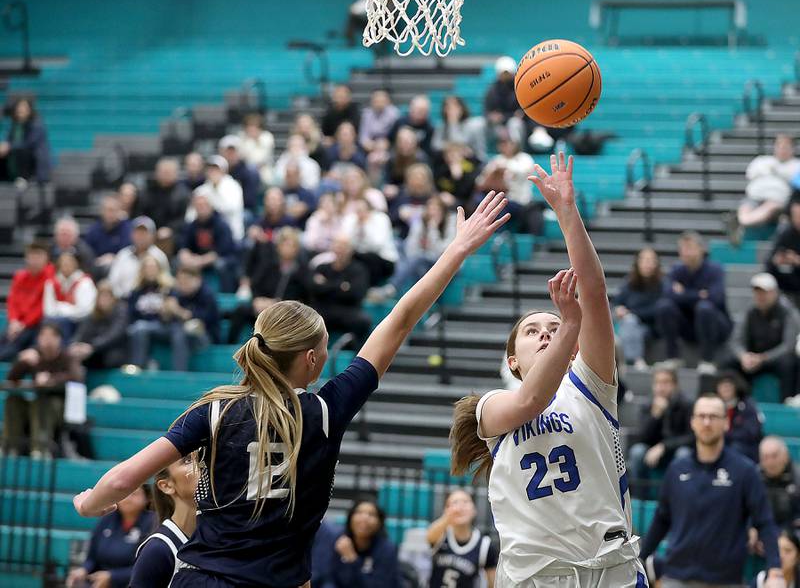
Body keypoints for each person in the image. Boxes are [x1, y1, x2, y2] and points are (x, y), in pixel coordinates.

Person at [72, 190, 510, 588]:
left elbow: (124, 477)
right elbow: (399, 320)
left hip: (201, 579)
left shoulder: (215, 410)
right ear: (313, 359)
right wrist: (454, 252)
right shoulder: (323, 410)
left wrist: (90, 502)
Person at [450, 153, 648, 586]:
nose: (544, 334)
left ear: (573, 346)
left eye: (553, 327)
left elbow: (594, 295)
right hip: (537, 577)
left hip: (611, 566)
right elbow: (532, 400)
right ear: (512, 360)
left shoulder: (590, 385)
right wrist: (570, 324)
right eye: (532, 331)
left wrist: (566, 212)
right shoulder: (491, 407)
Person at [640, 393, 783, 588]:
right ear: (692, 422)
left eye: (714, 416)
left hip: (726, 580)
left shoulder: (744, 471)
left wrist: (775, 570)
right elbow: (661, 519)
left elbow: (765, 522)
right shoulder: (676, 469)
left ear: (726, 423)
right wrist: (640, 559)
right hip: (676, 578)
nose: (707, 422)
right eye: (701, 416)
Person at [3, 322, 85, 457]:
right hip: (36, 403)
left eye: (51, 336)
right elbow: (12, 379)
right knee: (13, 400)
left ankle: (40, 449)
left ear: (59, 339)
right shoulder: (34, 355)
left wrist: (52, 379)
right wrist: (22, 361)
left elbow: (77, 377)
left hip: (59, 407)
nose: (47, 340)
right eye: (43, 336)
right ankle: (10, 447)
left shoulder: (67, 356)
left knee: (42, 403)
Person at [655, 231, 732, 374]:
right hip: (689, 326)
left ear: (701, 249)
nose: (685, 252)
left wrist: (683, 293)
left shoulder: (715, 269)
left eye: (689, 248)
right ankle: (673, 357)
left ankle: (708, 360)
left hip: (716, 325)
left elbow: (716, 298)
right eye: (682, 249)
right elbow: (667, 294)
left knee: (704, 308)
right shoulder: (676, 270)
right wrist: (699, 294)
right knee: (664, 306)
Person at [723, 272, 800, 401]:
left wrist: (764, 358)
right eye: (757, 292)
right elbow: (736, 340)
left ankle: (787, 403)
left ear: (775, 292)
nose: (760, 296)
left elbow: (788, 345)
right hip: (752, 359)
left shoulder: (788, 312)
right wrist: (743, 356)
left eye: (765, 292)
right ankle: (736, 404)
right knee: (729, 364)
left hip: (775, 359)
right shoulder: (749, 311)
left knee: (789, 363)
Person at [129, 265, 218, 372]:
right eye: (180, 281)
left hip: (203, 337)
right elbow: (165, 320)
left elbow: (199, 324)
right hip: (174, 330)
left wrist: (178, 311)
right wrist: (165, 311)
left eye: (185, 281)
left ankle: (179, 374)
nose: (182, 285)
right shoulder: (176, 292)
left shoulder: (207, 294)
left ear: (197, 280)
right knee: (140, 327)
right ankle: (138, 369)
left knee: (180, 332)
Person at [228, 227, 310, 343]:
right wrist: (257, 300)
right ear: (278, 246)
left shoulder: (301, 271)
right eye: (285, 244)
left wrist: (279, 303)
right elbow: (256, 285)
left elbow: (304, 297)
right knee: (241, 310)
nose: (287, 249)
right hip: (264, 306)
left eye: (292, 245)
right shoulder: (269, 265)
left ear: (297, 249)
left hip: (286, 311)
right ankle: (229, 346)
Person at [369, 195, 456, 302]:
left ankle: (391, 288)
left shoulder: (451, 222)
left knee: (418, 259)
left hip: (443, 263)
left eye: (436, 210)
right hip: (420, 263)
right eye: (430, 209)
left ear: (443, 211)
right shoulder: (422, 222)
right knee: (398, 246)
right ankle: (400, 295)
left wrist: (433, 230)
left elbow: (443, 252)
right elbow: (411, 247)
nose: (433, 213)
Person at [130, 455, 198, 588]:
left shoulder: (218, 535)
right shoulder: (158, 549)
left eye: (201, 457)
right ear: (166, 485)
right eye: (188, 460)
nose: (201, 465)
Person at [66, 486, 155, 588]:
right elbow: (92, 557)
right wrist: (84, 570)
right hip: (98, 580)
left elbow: (149, 568)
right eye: (125, 494)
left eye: (134, 494)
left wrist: (113, 577)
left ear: (147, 498)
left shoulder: (153, 523)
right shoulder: (107, 519)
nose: (128, 498)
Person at [626, 366, 693, 498]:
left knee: (683, 454)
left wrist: (664, 446)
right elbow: (642, 437)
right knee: (637, 452)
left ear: (675, 385)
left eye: (666, 382)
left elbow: (691, 437)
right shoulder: (647, 405)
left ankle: (678, 499)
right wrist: (655, 416)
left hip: (675, 450)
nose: (661, 387)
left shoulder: (686, 404)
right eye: (658, 383)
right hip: (652, 452)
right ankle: (640, 500)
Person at [309, 233, 373, 350]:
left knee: (363, 321)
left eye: (344, 246)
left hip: (348, 311)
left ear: (351, 250)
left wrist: (327, 285)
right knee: (307, 318)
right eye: (337, 245)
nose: (340, 249)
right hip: (324, 310)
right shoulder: (322, 267)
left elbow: (356, 293)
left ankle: (357, 356)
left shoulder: (359, 269)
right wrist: (341, 286)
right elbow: (314, 290)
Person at [427, 489, 498, 588]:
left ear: (474, 510)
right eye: (454, 503)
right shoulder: (441, 535)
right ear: (446, 510)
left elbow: (493, 583)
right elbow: (429, 537)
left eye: (465, 502)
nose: (460, 507)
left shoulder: (485, 545)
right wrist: (449, 516)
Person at [735, 135, 800, 236]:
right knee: (745, 206)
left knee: (770, 206)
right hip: (754, 197)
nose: (782, 149)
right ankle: (741, 220)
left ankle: (741, 222)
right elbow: (750, 175)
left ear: (793, 149)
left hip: (779, 202)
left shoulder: (797, 165)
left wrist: (779, 173)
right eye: (779, 146)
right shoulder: (761, 160)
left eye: (786, 147)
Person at [0, 241, 54, 361]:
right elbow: (12, 301)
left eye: (38, 257)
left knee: (12, 347)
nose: (35, 261)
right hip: (17, 324)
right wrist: (14, 321)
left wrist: (23, 324)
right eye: (32, 257)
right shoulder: (20, 276)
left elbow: (42, 306)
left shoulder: (50, 277)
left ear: (46, 258)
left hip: (35, 324)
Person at [613, 248, 665, 370]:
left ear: (656, 263)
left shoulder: (662, 284)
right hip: (628, 325)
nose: (647, 264)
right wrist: (619, 310)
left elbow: (657, 310)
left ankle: (630, 361)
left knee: (630, 321)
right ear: (638, 262)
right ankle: (635, 360)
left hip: (650, 327)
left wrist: (632, 313)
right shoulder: (629, 282)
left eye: (651, 260)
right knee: (627, 323)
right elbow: (616, 302)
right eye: (644, 260)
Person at [330, 500, 400, 588]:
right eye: (359, 513)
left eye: (371, 514)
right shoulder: (339, 542)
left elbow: (380, 585)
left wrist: (353, 560)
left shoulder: (387, 550)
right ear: (350, 518)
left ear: (380, 522)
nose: (364, 518)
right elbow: (329, 579)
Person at [178, 192, 239, 293]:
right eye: (198, 205)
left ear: (211, 206)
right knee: (178, 262)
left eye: (204, 205)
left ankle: (226, 295)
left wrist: (199, 261)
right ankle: (181, 294)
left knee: (221, 264)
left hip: (219, 259)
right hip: (197, 259)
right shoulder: (191, 226)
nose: (201, 208)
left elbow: (220, 252)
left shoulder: (221, 225)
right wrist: (187, 258)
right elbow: (184, 248)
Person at [475, 130, 537, 230]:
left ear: (515, 144)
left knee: (498, 209)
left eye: (508, 142)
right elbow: (480, 182)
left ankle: (498, 238)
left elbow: (525, 171)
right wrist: (493, 172)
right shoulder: (496, 159)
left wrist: (504, 167)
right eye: (502, 143)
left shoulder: (524, 158)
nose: (506, 145)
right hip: (498, 199)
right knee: (481, 201)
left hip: (519, 201)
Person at [69, 280, 128, 370]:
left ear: (113, 298)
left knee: (110, 357)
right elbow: (82, 332)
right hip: (94, 350)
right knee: (74, 355)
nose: (104, 300)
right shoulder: (93, 315)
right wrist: (75, 345)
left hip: (114, 349)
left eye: (107, 296)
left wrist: (92, 346)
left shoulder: (120, 310)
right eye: (101, 296)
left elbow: (114, 334)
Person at [107, 216, 169, 298]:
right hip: (123, 300)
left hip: (151, 301)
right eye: (138, 232)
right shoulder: (123, 255)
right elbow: (112, 282)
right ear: (132, 234)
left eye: (144, 233)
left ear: (153, 236)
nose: (141, 236)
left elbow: (166, 283)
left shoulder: (159, 256)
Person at [186, 155, 245, 242]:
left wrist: (216, 191)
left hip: (232, 236)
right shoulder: (201, 190)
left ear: (224, 171)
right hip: (205, 238)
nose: (213, 172)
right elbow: (189, 216)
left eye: (216, 169)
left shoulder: (234, 186)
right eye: (210, 169)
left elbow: (232, 208)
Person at [341, 199, 399, 287]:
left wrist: (365, 225)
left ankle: (371, 287)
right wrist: (357, 227)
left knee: (369, 257)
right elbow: (345, 242)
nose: (360, 213)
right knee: (347, 255)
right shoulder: (353, 220)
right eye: (358, 210)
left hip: (384, 259)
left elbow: (377, 245)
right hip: (360, 255)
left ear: (369, 209)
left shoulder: (381, 218)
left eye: (362, 210)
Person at [43, 250, 97, 340]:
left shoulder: (84, 282)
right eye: (63, 262)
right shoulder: (51, 282)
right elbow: (48, 310)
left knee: (63, 322)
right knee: (46, 322)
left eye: (69, 262)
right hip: (55, 320)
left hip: (79, 322)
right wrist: (68, 309)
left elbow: (85, 310)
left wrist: (61, 308)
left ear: (76, 264)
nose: (66, 265)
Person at [140, 158, 191, 255]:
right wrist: (150, 230)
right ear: (157, 173)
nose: (166, 175)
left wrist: (170, 229)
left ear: (176, 173)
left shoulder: (183, 193)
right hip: (150, 231)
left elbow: (184, 218)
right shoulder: (148, 191)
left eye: (169, 172)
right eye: (163, 172)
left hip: (173, 234)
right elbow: (142, 214)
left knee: (168, 240)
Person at [715, 370, 764, 463]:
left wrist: (726, 435)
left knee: (735, 448)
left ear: (736, 386)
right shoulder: (713, 406)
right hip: (720, 445)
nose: (726, 388)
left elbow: (752, 432)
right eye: (722, 385)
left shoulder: (748, 406)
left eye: (729, 385)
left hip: (745, 449)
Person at [0, 97, 51, 184]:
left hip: (34, 165)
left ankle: (24, 178)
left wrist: (9, 146)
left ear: (30, 110)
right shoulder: (14, 126)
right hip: (17, 160)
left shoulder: (36, 125)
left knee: (22, 150)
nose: (21, 110)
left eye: (24, 108)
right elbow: (8, 143)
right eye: (19, 108)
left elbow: (29, 144)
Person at [83, 194, 132, 275]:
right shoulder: (94, 229)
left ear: (119, 211)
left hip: (121, 268)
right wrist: (97, 260)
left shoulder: (127, 228)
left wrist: (115, 258)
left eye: (113, 210)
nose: (110, 213)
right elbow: (86, 251)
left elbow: (128, 251)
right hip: (97, 267)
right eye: (107, 210)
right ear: (102, 211)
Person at [759, 436, 800, 531]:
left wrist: (789, 536)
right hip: (762, 533)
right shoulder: (754, 478)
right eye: (765, 457)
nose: (770, 462)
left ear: (785, 456)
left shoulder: (797, 477)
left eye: (774, 456)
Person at [483, 56, 526, 147]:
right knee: (478, 124)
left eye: (508, 73)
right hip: (497, 126)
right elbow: (488, 112)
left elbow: (521, 113)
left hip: (516, 124)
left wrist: (504, 117)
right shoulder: (492, 90)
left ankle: (517, 153)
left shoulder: (521, 89)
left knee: (515, 124)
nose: (506, 76)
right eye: (503, 73)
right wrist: (491, 117)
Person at [432, 96, 487, 162]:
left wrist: (453, 123)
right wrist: (449, 146)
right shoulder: (442, 126)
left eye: (455, 106)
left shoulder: (471, 125)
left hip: (469, 161)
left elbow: (461, 142)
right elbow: (435, 145)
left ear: (462, 108)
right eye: (448, 107)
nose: (452, 110)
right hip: (448, 162)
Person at [389, 163, 435, 237]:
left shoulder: (433, 197)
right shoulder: (401, 195)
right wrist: (399, 215)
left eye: (421, 178)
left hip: (427, 237)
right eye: (414, 178)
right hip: (403, 236)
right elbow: (390, 218)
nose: (417, 182)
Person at [219, 134, 261, 213]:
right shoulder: (216, 170)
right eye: (227, 152)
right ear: (221, 152)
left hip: (241, 210)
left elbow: (249, 201)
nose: (230, 155)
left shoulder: (249, 173)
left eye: (233, 152)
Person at [768, 198, 800, 300]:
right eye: (795, 216)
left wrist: (796, 260)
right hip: (787, 284)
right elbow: (769, 261)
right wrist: (776, 261)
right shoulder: (786, 234)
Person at [434, 142, 482, 210]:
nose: (450, 157)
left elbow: (467, 192)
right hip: (444, 201)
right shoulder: (442, 169)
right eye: (448, 154)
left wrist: (458, 178)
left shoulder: (469, 168)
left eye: (454, 154)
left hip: (465, 203)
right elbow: (437, 186)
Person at [238, 113, 275, 186]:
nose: (252, 130)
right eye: (249, 127)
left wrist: (254, 141)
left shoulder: (267, 137)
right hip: (245, 171)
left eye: (254, 127)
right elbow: (242, 157)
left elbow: (260, 159)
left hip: (265, 170)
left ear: (260, 128)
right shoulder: (241, 138)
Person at [359, 89, 400, 153]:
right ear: (372, 102)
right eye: (376, 101)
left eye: (382, 101)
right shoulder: (366, 114)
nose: (379, 104)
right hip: (370, 146)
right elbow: (363, 136)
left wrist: (386, 143)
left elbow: (396, 134)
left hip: (389, 145)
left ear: (388, 101)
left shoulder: (394, 113)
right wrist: (369, 144)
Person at [282, 161, 318, 227]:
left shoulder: (308, 194)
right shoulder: (280, 193)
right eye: (288, 175)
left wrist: (285, 210)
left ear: (299, 175)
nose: (291, 178)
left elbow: (313, 211)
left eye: (294, 175)